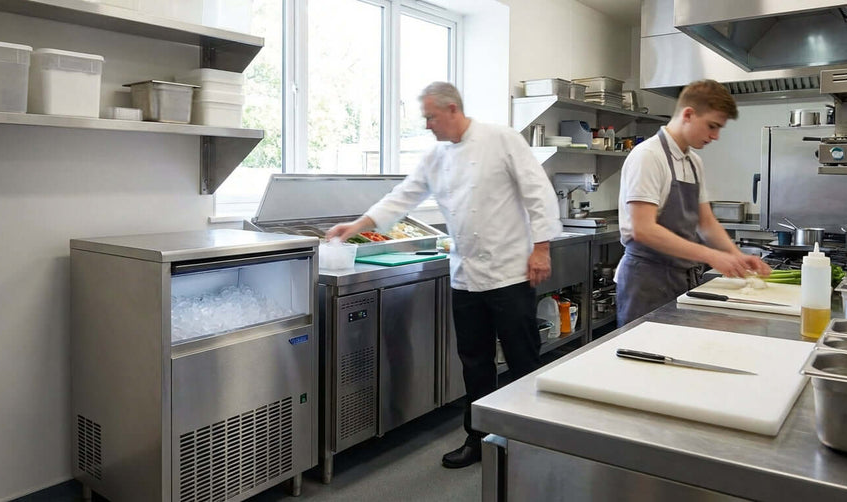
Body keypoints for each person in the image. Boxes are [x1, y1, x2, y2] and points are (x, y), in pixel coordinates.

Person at [326, 81, 561, 469]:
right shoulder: (436, 157)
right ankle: (479, 438)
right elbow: (402, 196)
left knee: (522, 359)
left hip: (510, 273)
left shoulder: (501, 139)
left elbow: (538, 193)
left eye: (430, 117)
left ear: (453, 110)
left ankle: (533, 441)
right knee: (474, 363)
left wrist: (542, 248)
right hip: (465, 277)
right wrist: (356, 225)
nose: (427, 125)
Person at [615, 79, 771, 327]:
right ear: (688, 114)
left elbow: (706, 222)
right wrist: (712, 256)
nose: (715, 136)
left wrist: (736, 256)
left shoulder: (693, 162)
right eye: (712, 126)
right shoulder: (648, 156)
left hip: (681, 278)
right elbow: (643, 229)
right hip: (646, 281)